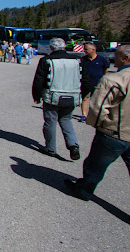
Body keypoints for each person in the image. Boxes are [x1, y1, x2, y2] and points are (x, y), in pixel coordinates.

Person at [65, 45, 130, 201]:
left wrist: (97, 124)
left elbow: (97, 108)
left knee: (94, 166)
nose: (114, 58)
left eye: (117, 55)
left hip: (114, 133)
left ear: (125, 58)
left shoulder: (114, 79)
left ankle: (84, 191)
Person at [32, 38, 92, 160]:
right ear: (64, 47)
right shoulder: (77, 60)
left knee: (50, 121)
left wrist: (36, 96)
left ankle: (50, 148)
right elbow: (85, 80)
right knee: (66, 120)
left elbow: (39, 80)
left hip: (52, 96)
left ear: (51, 47)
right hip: (72, 95)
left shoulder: (46, 60)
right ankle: (73, 144)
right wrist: (83, 94)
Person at [78, 42, 110, 122]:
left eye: (86, 49)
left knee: (97, 100)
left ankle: (95, 115)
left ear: (93, 50)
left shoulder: (101, 59)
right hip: (86, 83)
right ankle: (84, 115)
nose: (84, 50)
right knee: (85, 98)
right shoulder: (83, 59)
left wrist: (102, 78)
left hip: (98, 83)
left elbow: (105, 70)